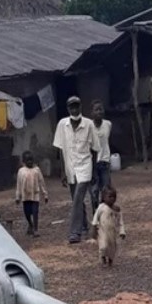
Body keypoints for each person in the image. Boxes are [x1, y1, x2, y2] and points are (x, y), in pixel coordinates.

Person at [53, 96, 101, 245]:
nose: (74, 109)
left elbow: (94, 149)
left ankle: (75, 232)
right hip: (70, 167)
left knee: (79, 197)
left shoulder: (88, 125)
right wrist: (62, 172)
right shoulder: (62, 124)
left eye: (76, 106)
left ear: (80, 107)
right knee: (76, 200)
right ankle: (85, 226)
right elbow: (61, 149)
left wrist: (93, 170)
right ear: (68, 109)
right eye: (71, 107)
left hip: (85, 165)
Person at [90, 185, 125, 267]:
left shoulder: (117, 209)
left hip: (112, 232)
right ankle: (102, 257)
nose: (112, 198)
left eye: (114, 197)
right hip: (102, 231)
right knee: (104, 245)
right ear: (104, 197)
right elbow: (95, 219)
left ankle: (110, 260)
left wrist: (122, 231)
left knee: (112, 247)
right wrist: (94, 231)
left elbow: (121, 221)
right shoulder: (101, 208)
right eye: (110, 196)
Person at [15, 151, 48, 237]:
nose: (29, 162)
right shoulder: (21, 171)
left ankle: (36, 229)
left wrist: (45, 194)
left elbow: (42, 182)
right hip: (25, 196)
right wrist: (17, 196)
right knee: (27, 212)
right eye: (27, 160)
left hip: (35, 195)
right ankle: (30, 224)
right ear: (24, 161)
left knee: (35, 212)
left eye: (31, 160)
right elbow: (18, 184)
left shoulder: (37, 170)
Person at [90, 101, 113, 212]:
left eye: (101, 109)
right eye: (96, 109)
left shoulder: (108, 124)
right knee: (94, 191)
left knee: (106, 190)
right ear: (92, 113)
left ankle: (105, 212)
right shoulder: (88, 127)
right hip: (93, 163)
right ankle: (96, 214)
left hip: (104, 161)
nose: (99, 112)